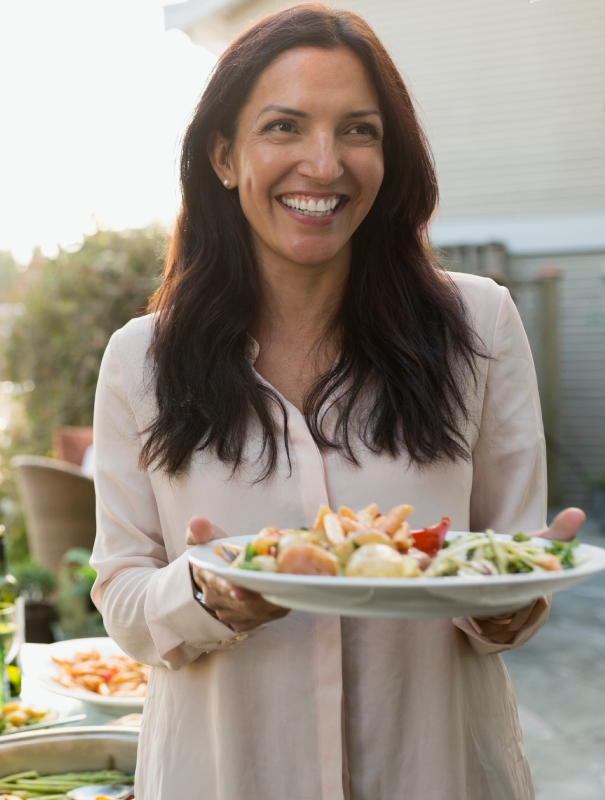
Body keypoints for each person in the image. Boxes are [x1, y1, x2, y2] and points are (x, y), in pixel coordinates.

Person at [89, 5, 585, 799]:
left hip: (435, 773)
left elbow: (507, 562)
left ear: (390, 158)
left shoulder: (479, 325)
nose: (324, 164)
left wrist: (513, 601)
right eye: (284, 126)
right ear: (224, 154)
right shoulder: (141, 360)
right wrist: (202, 595)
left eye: (359, 130)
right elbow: (122, 594)